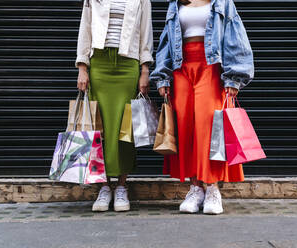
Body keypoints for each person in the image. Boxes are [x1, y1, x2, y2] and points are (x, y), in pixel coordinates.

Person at [150, 0, 254, 214]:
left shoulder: (223, 3)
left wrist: (235, 78)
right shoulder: (176, 3)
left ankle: (213, 188)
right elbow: (167, 41)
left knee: (209, 128)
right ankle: (195, 188)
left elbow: (236, 36)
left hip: (211, 68)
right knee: (185, 127)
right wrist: (162, 77)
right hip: (181, 69)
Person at [75, 0, 154, 212]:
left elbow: (146, 32)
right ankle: (103, 187)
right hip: (99, 64)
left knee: (124, 128)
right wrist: (82, 67)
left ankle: (121, 186)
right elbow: (86, 27)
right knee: (99, 128)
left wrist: (144, 70)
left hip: (128, 65)